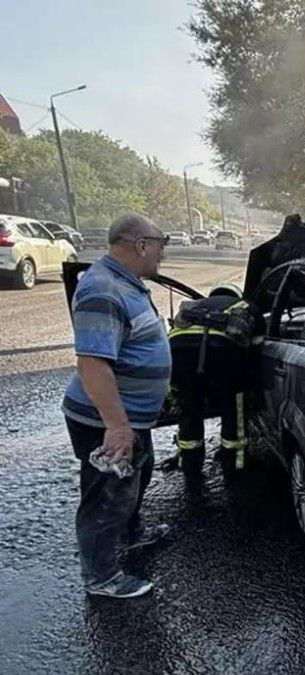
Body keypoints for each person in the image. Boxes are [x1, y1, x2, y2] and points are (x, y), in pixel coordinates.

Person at [62, 213, 171, 599]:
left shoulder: (126, 285)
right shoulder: (103, 290)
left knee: (134, 478)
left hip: (126, 416)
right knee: (107, 496)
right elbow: (93, 365)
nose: (163, 253)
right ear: (142, 245)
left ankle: (131, 536)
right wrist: (117, 426)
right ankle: (102, 577)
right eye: (162, 243)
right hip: (103, 419)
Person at [167, 281, 262, 479]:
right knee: (233, 410)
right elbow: (256, 350)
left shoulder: (195, 306)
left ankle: (189, 464)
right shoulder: (246, 307)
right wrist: (247, 383)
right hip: (222, 355)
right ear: (237, 295)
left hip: (179, 354)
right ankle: (235, 465)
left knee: (189, 409)